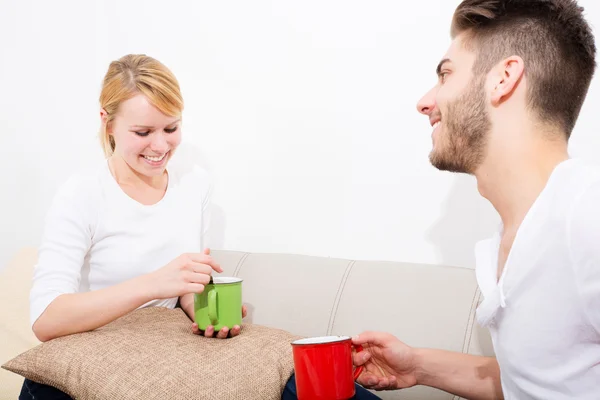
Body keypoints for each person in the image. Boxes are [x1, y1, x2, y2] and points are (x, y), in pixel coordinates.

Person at [21, 54, 379, 400]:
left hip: (168, 339)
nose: (160, 146)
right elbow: (47, 319)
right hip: (95, 346)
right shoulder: (82, 193)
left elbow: (187, 287)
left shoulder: (194, 183)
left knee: (296, 376)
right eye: (143, 131)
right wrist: (153, 285)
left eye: (171, 128)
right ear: (108, 122)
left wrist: (206, 311)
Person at [351, 0, 600, 399]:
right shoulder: (521, 230)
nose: (425, 102)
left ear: (504, 78)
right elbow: (539, 383)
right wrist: (417, 365)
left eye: (446, 75)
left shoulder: (588, 215)